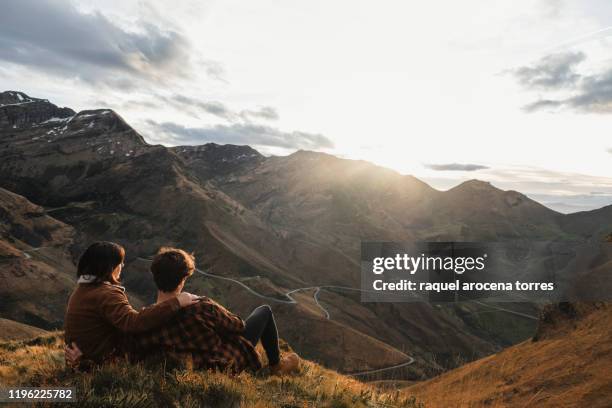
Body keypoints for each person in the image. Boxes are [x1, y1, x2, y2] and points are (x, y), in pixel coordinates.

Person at [67, 247, 300, 375]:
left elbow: (129, 332)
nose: (122, 267)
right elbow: (238, 326)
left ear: (155, 276)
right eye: (119, 264)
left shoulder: (144, 322)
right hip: (221, 364)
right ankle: (276, 365)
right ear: (183, 279)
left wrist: (84, 361)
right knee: (264, 311)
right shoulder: (202, 307)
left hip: (182, 365)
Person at [64, 242, 200, 368]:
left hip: (87, 361)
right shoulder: (105, 294)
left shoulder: (81, 290)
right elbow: (133, 323)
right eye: (120, 263)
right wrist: (177, 302)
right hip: (104, 365)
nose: (122, 266)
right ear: (110, 267)